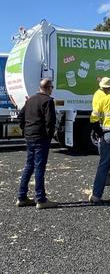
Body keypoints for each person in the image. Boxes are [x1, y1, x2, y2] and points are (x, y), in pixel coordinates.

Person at [16, 79, 58, 209]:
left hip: (29, 137)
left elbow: (20, 117)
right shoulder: (48, 101)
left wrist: (26, 129)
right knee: (39, 168)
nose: (52, 88)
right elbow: (50, 122)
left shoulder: (30, 99)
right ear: (48, 87)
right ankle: (41, 199)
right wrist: (49, 137)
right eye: (52, 86)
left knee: (29, 165)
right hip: (41, 138)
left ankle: (21, 197)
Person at [90, 76, 110, 185]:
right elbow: (96, 114)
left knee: (105, 154)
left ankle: (108, 176)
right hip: (102, 125)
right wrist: (99, 131)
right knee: (105, 155)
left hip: (101, 125)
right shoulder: (102, 96)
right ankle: (105, 178)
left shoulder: (100, 93)